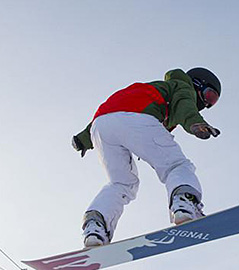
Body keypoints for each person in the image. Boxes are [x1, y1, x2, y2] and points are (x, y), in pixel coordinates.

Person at [72, 67, 221, 248]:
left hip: (100, 125)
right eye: (209, 96)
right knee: (176, 166)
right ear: (197, 84)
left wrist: (82, 140)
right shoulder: (183, 86)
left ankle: (96, 226)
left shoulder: (151, 89)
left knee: (121, 183)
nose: (206, 104)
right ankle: (184, 202)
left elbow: (111, 113)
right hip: (136, 118)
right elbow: (184, 105)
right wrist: (195, 123)